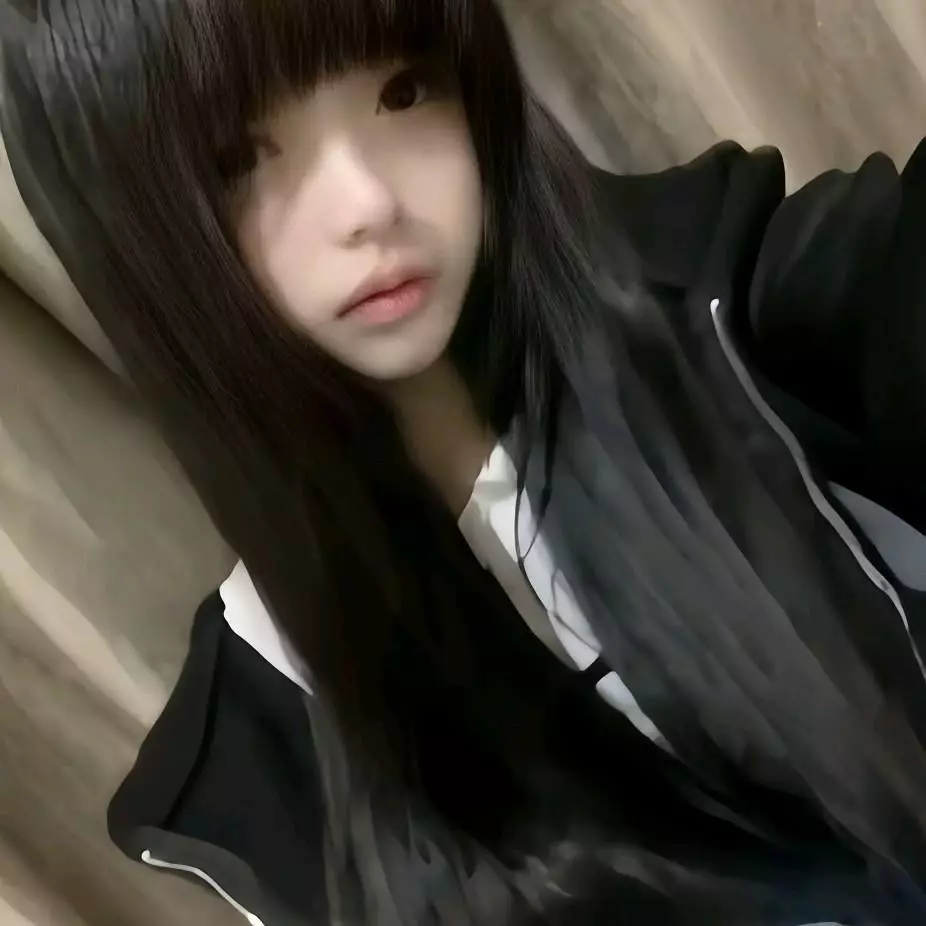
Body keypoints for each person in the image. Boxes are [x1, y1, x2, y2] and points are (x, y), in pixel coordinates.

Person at [3, 0, 926, 923]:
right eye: (237, 159)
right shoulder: (260, 758)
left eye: (404, 91)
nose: (369, 204)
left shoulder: (727, 305)